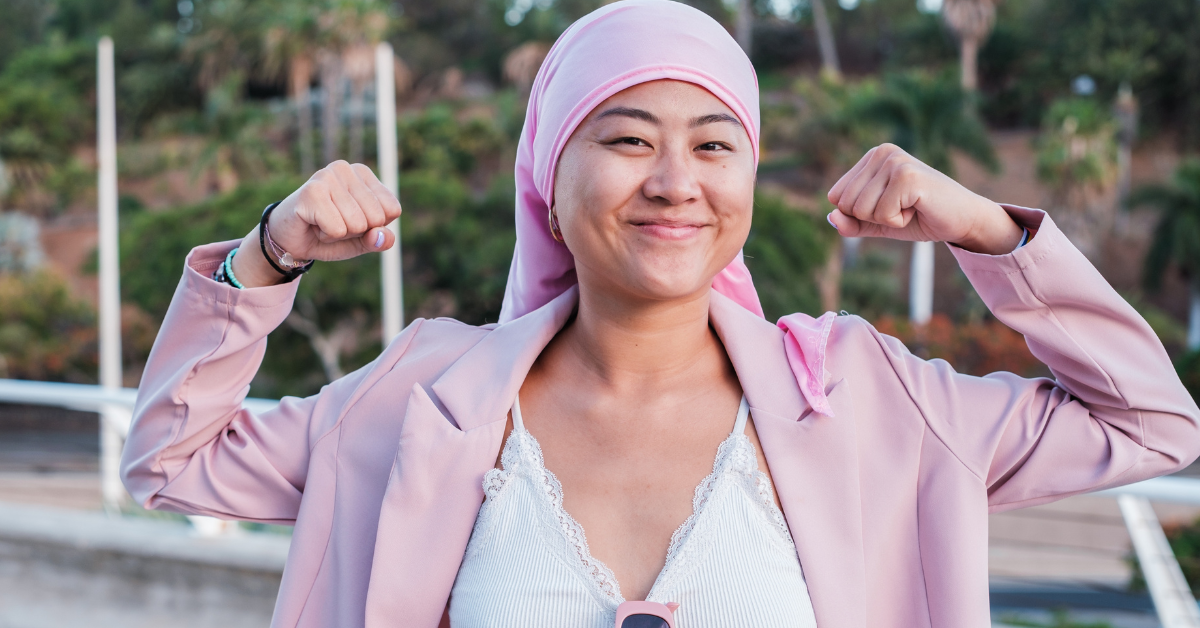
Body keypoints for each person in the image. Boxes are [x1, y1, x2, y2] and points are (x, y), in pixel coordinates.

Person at [120, 2, 1200, 627]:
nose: (677, 180)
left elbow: (1155, 423)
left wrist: (988, 234)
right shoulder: (423, 398)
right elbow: (169, 460)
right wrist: (267, 255)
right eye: (629, 138)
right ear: (549, 174)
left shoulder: (868, 397)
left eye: (715, 143)